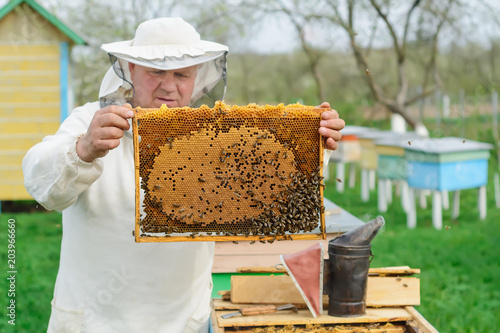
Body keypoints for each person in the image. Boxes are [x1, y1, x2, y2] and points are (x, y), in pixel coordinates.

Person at [22, 17, 345, 333]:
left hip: (182, 317)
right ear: (130, 69)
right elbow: (43, 186)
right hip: (96, 319)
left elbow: (263, 187)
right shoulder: (89, 120)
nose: (169, 85)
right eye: (155, 72)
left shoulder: (214, 136)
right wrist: (83, 148)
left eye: (181, 74)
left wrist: (315, 144)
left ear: (197, 77)